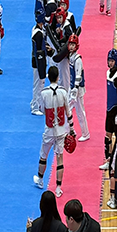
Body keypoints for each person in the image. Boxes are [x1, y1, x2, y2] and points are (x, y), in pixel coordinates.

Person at [35, 64, 73, 196]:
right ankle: (58, 187)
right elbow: (68, 112)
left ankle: (40, 180)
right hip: (61, 130)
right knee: (60, 158)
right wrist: (72, 128)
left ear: (48, 77)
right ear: (58, 77)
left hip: (49, 130)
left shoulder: (44, 93)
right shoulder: (63, 92)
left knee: (43, 155)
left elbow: (41, 109)